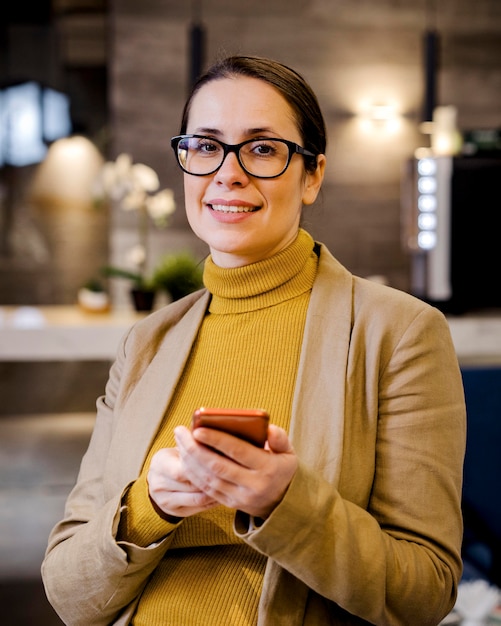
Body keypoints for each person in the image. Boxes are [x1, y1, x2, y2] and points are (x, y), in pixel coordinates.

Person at [42, 55, 466, 626]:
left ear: (312, 175)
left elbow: (424, 594)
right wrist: (150, 507)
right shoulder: (147, 343)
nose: (228, 173)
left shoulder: (399, 333)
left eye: (263, 149)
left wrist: (284, 504)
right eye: (206, 146)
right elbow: (69, 591)